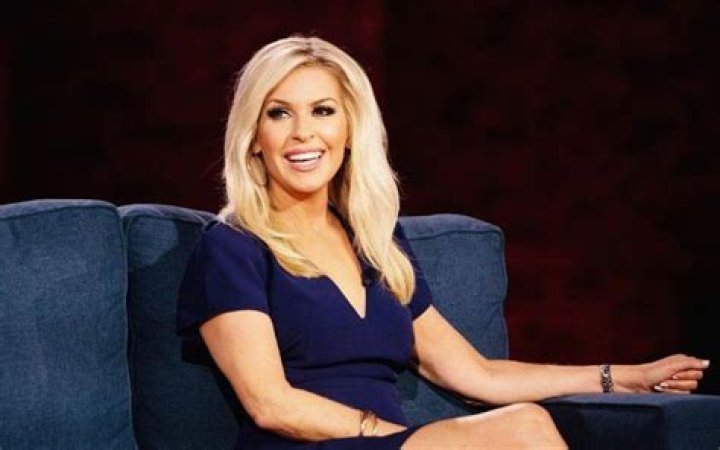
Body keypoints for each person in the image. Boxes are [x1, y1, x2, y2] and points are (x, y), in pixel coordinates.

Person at [176, 35, 709, 449]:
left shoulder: (376, 243)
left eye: (323, 110)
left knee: (523, 423)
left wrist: (623, 378)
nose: (302, 133)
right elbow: (270, 403)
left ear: (350, 129)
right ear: (254, 137)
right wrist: (396, 436)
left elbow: (477, 374)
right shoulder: (233, 247)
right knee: (524, 428)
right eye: (279, 113)